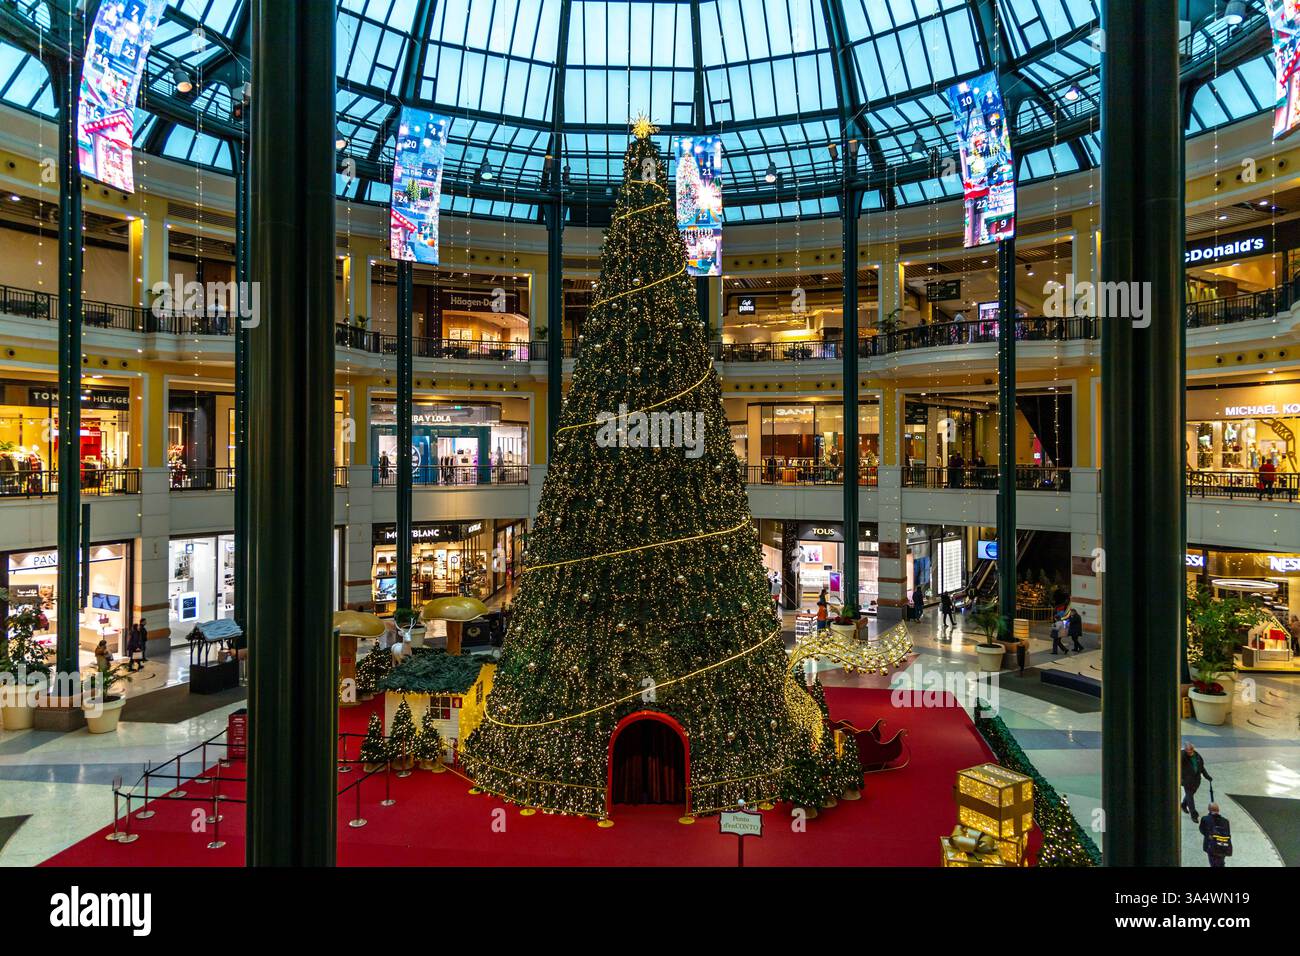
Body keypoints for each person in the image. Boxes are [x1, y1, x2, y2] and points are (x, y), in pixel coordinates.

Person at [1180, 742, 1213, 823]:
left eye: (1191, 751)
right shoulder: (1182, 756)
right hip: (1187, 781)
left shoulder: (1197, 756)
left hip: (1196, 780)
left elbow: (1201, 768)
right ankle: (1193, 814)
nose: (1189, 752)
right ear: (1185, 750)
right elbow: (1177, 766)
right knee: (1190, 796)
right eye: (1187, 751)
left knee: (1190, 795)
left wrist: (1207, 776)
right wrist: (1181, 779)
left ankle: (1183, 804)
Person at [1199, 802, 1232, 867]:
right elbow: (1228, 833)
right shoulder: (1226, 821)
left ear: (1209, 809)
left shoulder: (1205, 819)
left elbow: (1202, 830)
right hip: (1223, 846)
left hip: (1211, 846)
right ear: (1218, 810)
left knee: (1213, 864)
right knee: (1221, 863)